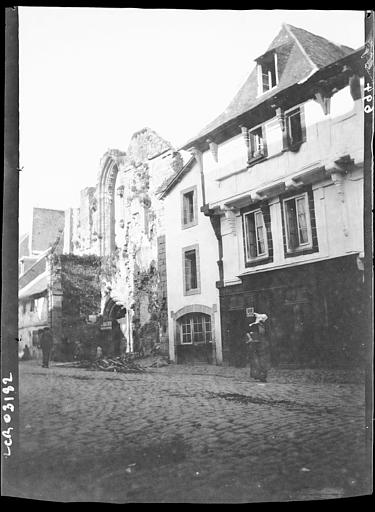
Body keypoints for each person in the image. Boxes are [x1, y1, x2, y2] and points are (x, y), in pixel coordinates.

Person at [245, 313, 271, 383]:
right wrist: (250, 338)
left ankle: (263, 376)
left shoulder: (264, 326)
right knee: (257, 362)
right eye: (262, 320)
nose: (263, 321)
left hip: (262, 345)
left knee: (263, 361)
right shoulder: (254, 326)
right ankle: (259, 376)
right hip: (255, 346)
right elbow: (248, 332)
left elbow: (266, 335)